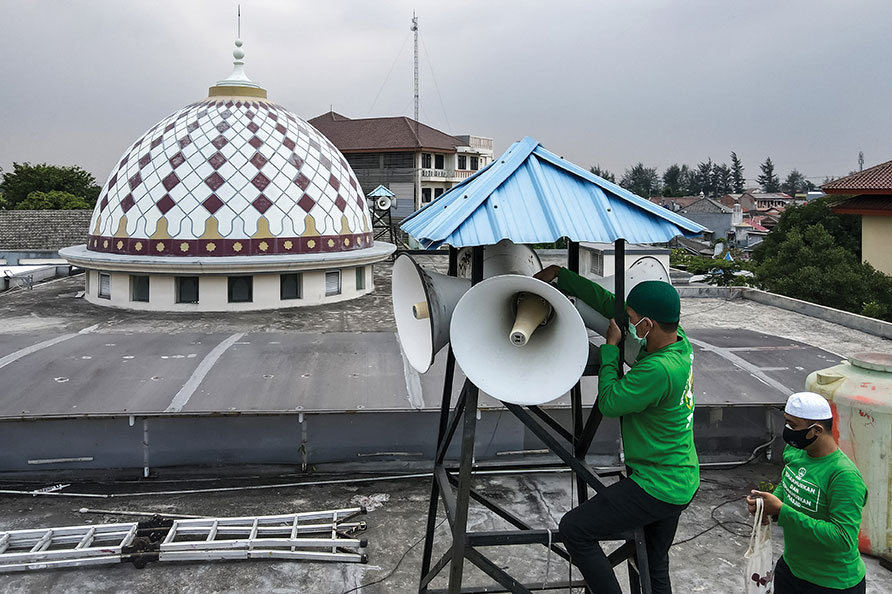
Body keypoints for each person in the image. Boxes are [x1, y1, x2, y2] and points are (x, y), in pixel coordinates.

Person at [534, 265, 698, 594]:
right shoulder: (679, 344)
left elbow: (609, 402)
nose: (628, 322)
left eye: (633, 318)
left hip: (657, 484)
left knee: (575, 529)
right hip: (681, 476)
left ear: (647, 324)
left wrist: (610, 348)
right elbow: (611, 303)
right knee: (652, 562)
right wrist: (561, 277)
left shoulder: (658, 370)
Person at [747, 392, 868, 594]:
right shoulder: (796, 452)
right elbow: (788, 485)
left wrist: (782, 511)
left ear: (816, 430)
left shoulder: (843, 476)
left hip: (831, 584)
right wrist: (768, 508)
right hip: (791, 570)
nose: (787, 430)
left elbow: (842, 538)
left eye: (792, 425)